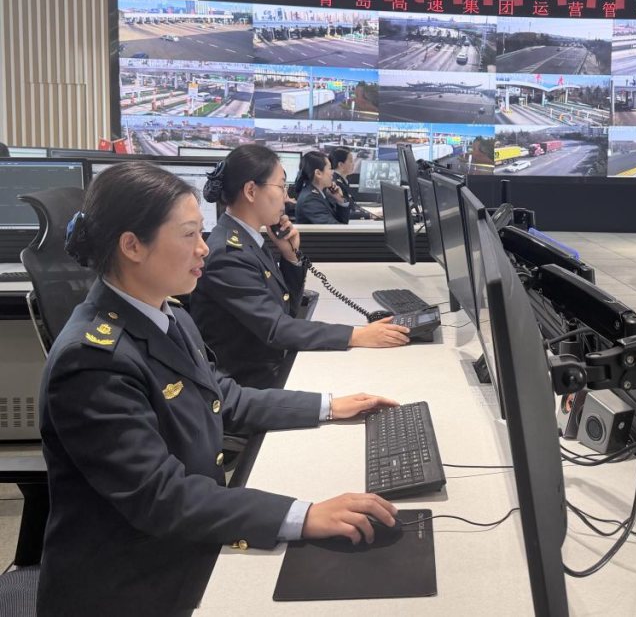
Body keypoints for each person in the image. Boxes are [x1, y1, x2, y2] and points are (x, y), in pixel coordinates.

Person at [38, 161, 401, 617]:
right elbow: (162, 497)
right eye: (189, 234)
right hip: (132, 584)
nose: (203, 248)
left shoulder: (168, 314)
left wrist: (329, 406)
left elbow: (222, 397)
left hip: (186, 543)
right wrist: (302, 514)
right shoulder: (93, 361)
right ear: (132, 246)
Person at [190, 145, 409, 389]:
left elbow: (285, 311)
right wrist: (356, 335)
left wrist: (290, 256)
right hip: (249, 385)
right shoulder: (229, 254)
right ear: (251, 191)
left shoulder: (247, 239)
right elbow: (277, 329)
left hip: (267, 368)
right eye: (280, 186)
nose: (285, 197)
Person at [294, 150, 350, 224]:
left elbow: (342, 223)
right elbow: (336, 229)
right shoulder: (310, 200)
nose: (332, 172)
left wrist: (340, 199)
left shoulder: (321, 194)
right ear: (318, 173)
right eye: (330, 168)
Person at [329, 146, 372, 220]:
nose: (353, 164)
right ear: (341, 165)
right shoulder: (336, 184)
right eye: (351, 161)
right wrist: (369, 215)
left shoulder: (342, 180)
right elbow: (345, 212)